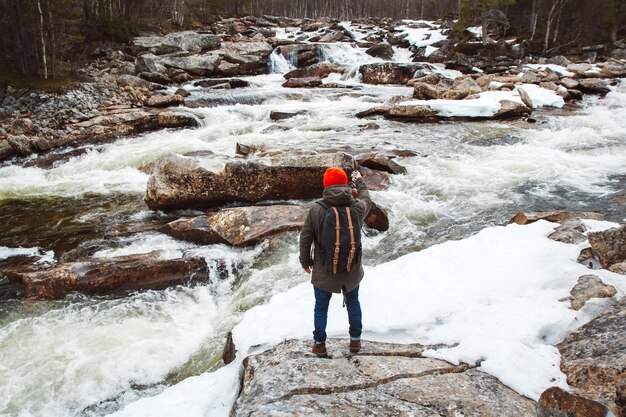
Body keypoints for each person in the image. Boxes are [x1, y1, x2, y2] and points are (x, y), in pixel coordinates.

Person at [299, 166, 373, 358]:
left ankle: (319, 344)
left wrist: (305, 260)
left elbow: (306, 236)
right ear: (345, 185)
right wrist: (359, 182)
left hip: (324, 270)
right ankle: (355, 342)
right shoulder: (356, 207)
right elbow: (367, 199)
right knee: (353, 302)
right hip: (351, 269)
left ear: (326, 186)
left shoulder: (316, 210)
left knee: (321, 307)